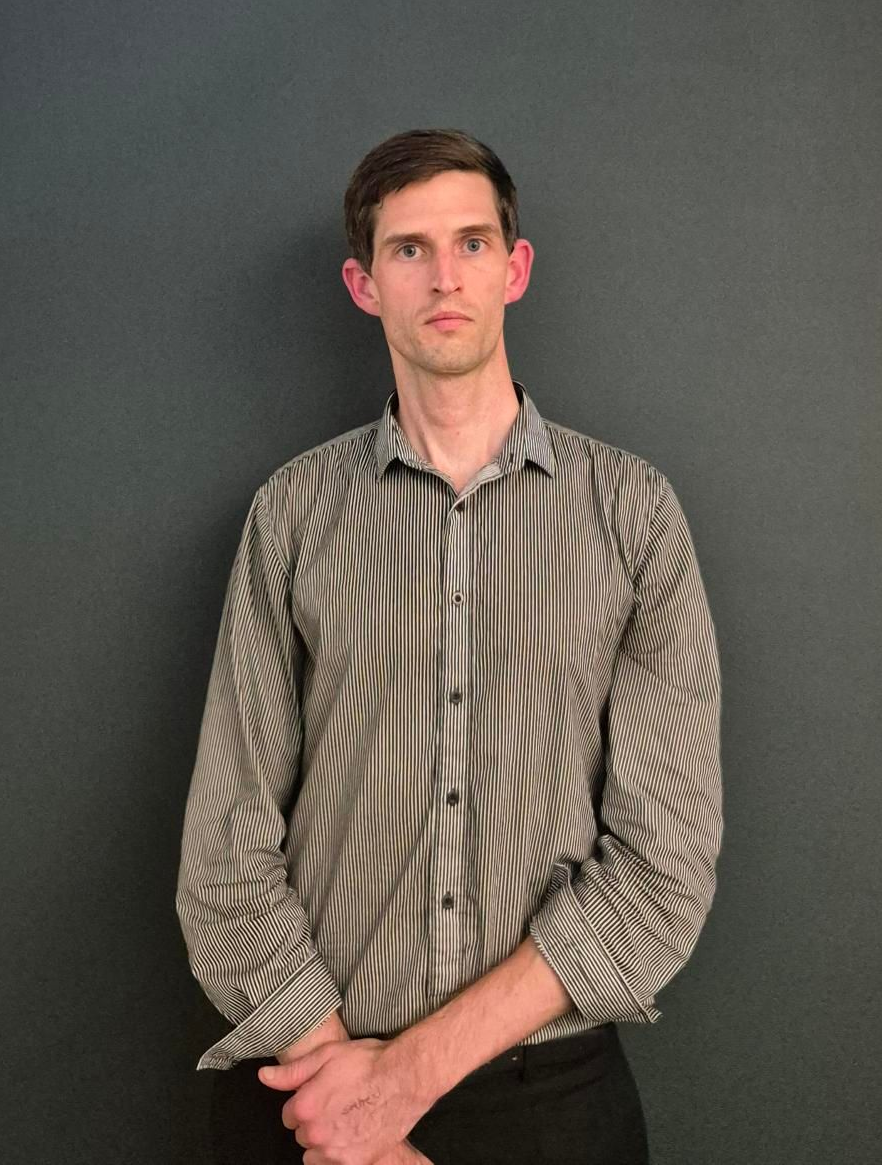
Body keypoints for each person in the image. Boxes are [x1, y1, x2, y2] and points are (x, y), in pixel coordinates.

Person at [176, 127, 723, 1165]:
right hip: (309, 1096)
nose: (443, 276)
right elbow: (223, 852)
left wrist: (399, 1084)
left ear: (514, 268)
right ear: (362, 282)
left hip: (549, 1105)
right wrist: (349, 1102)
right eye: (408, 249)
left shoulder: (635, 516)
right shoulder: (290, 516)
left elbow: (663, 867)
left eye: (472, 243)